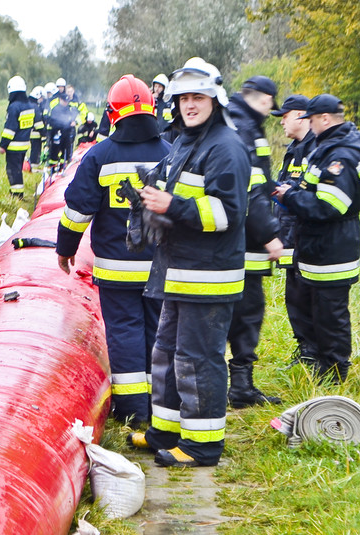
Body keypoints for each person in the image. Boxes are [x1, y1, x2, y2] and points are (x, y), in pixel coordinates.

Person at [136, 58, 250, 467]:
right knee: (166, 353)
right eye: (184, 97)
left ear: (214, 99)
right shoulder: (187, 139)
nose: (189, 104)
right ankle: (165, 430)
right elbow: (171, 191)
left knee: (198, 360)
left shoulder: (226, 147)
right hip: (179, 270)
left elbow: (227, 214)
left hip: (209, 276)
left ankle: (202, 446)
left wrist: (174, 206)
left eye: (197, 97)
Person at [57, 75, 171, 428]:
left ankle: (133, 410)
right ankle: (159, 406)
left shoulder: (100, 155)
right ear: (153, 109)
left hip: (116, 268)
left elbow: (77, 212)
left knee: (124, 332)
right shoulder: (171, 153)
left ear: (112, 113)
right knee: (158, 332)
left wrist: (65, 249)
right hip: (160, 267)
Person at [275, 94, 360, 384]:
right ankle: (321, 366)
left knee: (331, 316)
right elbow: (310, 188)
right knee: (317, 310)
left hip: (333, 247)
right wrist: (292, 193)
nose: (310, 126)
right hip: (319, 246)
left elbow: (330, 205)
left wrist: (290, 196)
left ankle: (335, 375)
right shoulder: (327, 148)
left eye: (312, 120)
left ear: (325, 119)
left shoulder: (341, 156)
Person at [225, 75, 284, 408]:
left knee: (237, 311)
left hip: (233, 236)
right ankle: (241, 388)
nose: (270, 110)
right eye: (268, 103)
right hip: (245, 240)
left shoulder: (235, 121)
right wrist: (270, 235)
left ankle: (237, 384)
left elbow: (259, 179)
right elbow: (250, 189)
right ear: (260, 98)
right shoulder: (245, 128)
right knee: (247, 312)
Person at [270, 95, 317, 366]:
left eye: (285, 116)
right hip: (288, 234)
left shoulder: (316, 148)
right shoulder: (292, 149)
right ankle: (305, 351)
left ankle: (316, 354)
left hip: (308, 236)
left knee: (309, 297)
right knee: (294, 296)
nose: (282, 123)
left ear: (300, 115)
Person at [0, 75, 35, 198]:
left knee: (13, 171)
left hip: (14, 146)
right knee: (18, 170)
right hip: (25, 144)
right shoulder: (29, 105)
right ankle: (17, 193)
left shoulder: (14, 107)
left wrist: (3, 145)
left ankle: (16, 195)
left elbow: (10, 128)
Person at [46, 93, 77, 172]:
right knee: (55, 150)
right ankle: (53, 167)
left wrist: (73, 122)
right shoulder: (55, 109)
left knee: (65, 150)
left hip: (66, 133)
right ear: (60, 100)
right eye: (64, 101)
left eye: (67, 101)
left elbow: (72, 117)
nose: (66, 103)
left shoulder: (69, 109)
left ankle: (62, 167)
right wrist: (63, 124)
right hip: (57, 132)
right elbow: (52, 121)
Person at [28, 85, 46, 171]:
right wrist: (44, 133)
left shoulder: (28, 104)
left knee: (33, 149)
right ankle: (33, 166)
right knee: (35, 150)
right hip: (35, 133)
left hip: (28, 132)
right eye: (42, 98)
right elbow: (38, 123)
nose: (42, 100)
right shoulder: (35, 107)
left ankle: (31, 165)